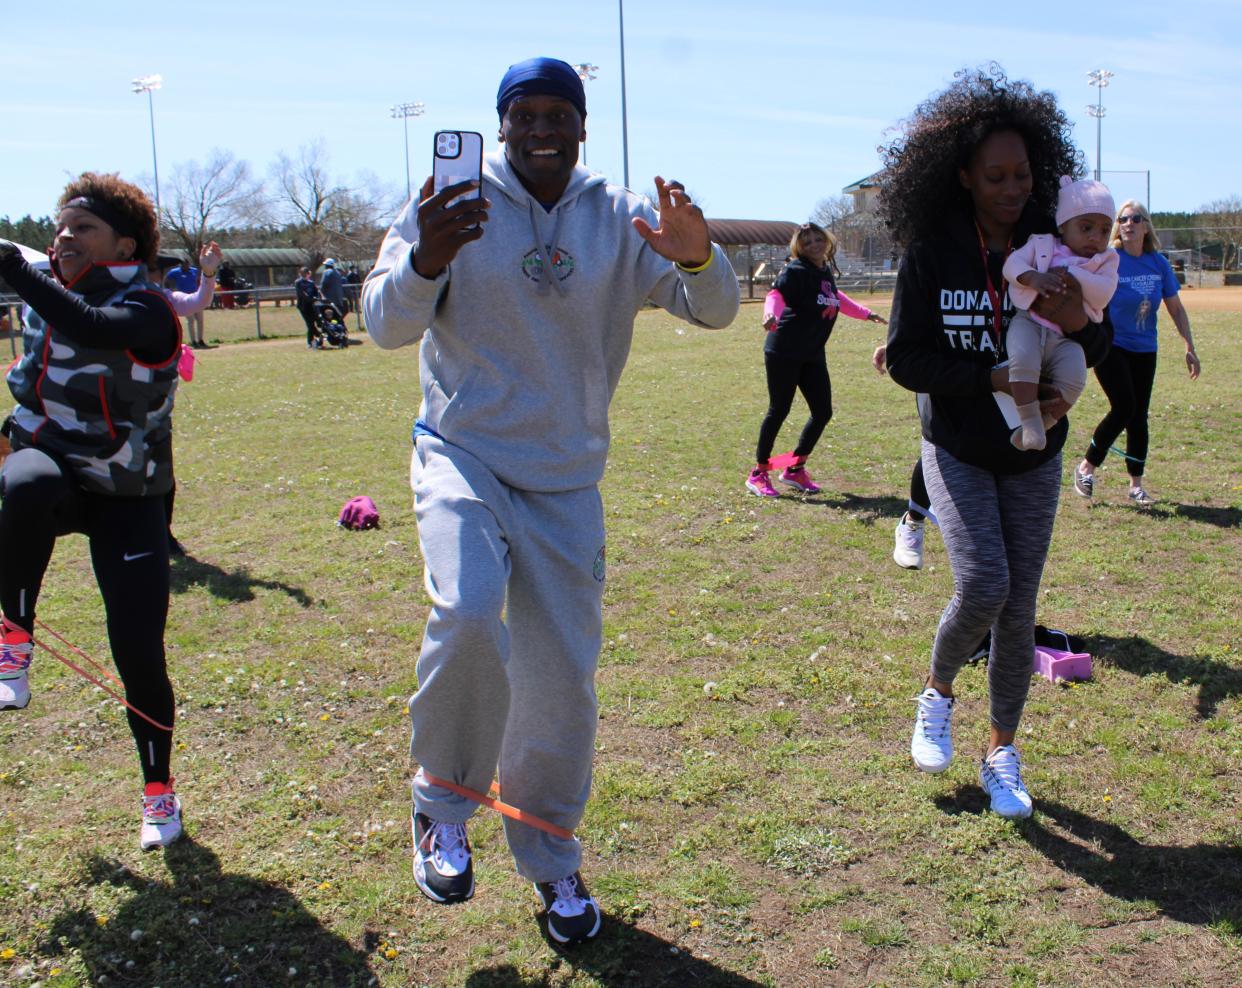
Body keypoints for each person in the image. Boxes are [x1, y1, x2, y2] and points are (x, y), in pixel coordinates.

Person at [362, 56, 739, 943]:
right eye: (522, 114)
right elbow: (384, 323)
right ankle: (442, 805)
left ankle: (550, 857)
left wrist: (701, 256)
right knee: (466, 609)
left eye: (556, 115)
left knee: (559, 682)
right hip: (464, 455)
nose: (539, 129)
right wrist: (427, 257)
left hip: (566, 481)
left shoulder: (615, 217)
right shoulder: (448, 206)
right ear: (498, 127)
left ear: (580, 126)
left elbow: (715, 309)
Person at [880, 67, 1112, 819]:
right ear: (964, 178)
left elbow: (1096, 344)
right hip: (956, 443)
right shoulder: (932, 252)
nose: (1013, 189)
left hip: (1037, 449)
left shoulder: (1056, 245)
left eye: (1024, 175)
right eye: (996, 177)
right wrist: (990, 378)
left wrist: (1076, 322)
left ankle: (1001, 752)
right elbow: (908, 360)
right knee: (985, 585)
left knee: (1019, 609)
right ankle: (938, 692)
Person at [0, 172, 184, 849]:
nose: (65, 237)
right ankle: (12, 644)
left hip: (129, 495)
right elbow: (28, 401)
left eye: (84, 228)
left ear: (123, 244)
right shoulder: (46, 298)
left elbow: (94, 327)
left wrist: (18, 271)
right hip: (56, 474)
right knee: (21, 485)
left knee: (138, 652)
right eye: (60, 227)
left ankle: (159, 794)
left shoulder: (149, 310)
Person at [745, 222, 887, 497]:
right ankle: (759, 473)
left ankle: (794, 469)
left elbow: (836, 298)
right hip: (784, 350)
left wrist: (866, 313)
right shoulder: (796, 270)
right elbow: (776, 294)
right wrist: (769, 314)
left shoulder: (823, 269)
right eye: (806, 241)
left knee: (823, 412)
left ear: (826, 240)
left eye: (817, 238)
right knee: (779, 410)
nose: (813, 244)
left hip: (812, 353)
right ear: (799, 246)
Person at [1073, 199, 1201, 505]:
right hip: (1111, 345)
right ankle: (1086, 467)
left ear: (1146, 226)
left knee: (1138, 416)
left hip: (1146, 349)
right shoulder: (1109, 258)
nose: (1128, 223)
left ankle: (1135, 486)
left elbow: (1175, 308)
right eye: (1123, 219)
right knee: (1124, 407)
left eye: (1135, 218)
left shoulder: (1158, 264)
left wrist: (1189, 346)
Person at [1003, 177, 1118, 450]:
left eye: (1104, 231)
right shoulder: (1042, 244)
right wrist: (1032, 278)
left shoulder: (1105, 261)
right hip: (1029, 322)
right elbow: (1012, 265)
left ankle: (1043, 424)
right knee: (1022, 360)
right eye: (1086, 227)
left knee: (1075, 379)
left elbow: (1103, 293)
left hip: (1066, 339)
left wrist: (1072, 275)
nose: (1095, 237)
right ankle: (1029, 419)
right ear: (1063, 226)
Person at [161, 241, 223, 556]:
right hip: (118, 405)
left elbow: (200, 300)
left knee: (162, 471)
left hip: (156, 407)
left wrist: (208, 272)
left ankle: (163, 532)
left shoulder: (164, 299)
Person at [164, 255, 207, 348]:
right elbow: (166, 279)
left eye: (186, 264)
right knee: (190, 320)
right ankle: (193, 341)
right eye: (183, 264)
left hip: (195, 297)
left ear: (189, 264)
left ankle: (200, 340)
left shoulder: (194, 271)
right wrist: (170, 289)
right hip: (184, 299)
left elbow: (199, 279)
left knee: (200, 320)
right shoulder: (175, 272)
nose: (185, 266)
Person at [294, 266, 321, 348]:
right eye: (303, 273)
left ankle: (314, 340)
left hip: (312, 306)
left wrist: (316, 298)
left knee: (313, 323)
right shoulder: (298, 282)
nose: (305, 275)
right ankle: (312, 340)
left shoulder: (311, 283)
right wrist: (310, 299)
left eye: (306, 273)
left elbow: (316, 293)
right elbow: (301, 294)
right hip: (303, 306)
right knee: (310, 324)